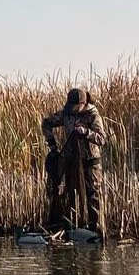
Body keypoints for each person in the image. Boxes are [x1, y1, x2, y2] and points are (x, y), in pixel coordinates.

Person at [41, 87, 106, 232]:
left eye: (75, 106)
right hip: (71, 162)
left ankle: (95, 230)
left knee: (93, 196)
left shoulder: (93, 115)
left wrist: (86, 132)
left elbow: (101, 139)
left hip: (90, 163)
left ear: (83, 103)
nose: (72, 109)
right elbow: (46, 123)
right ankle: (71, 228)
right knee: (70, 195)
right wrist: (52, 145)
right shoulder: (66, 113)